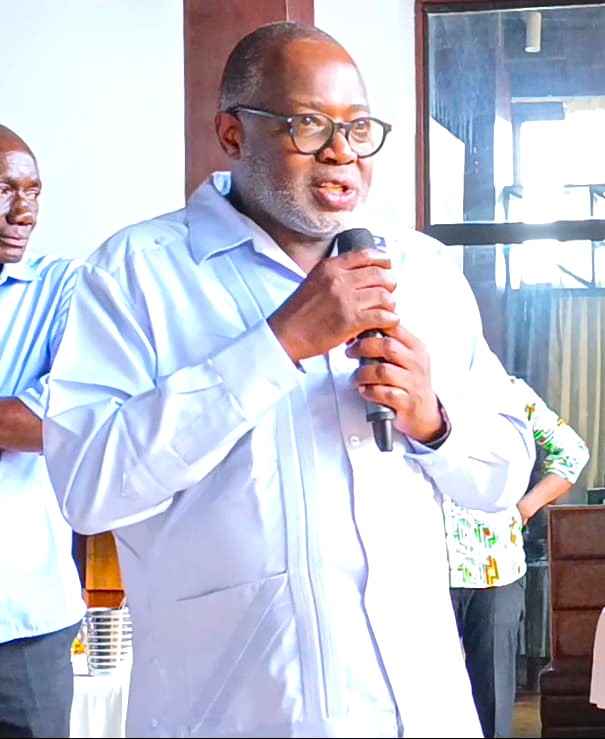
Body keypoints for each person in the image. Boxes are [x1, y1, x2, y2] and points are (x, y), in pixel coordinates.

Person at [44, 22, 536, 739]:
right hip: (237, 717)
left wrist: (433, 421)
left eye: (357, 127)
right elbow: (88, 486)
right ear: (232, 133)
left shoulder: (422, 268)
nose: (341, 152)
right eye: (308, 125)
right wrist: (277, 346)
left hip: (422, 712)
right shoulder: (134, 273)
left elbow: (503, 475)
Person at [444, 374, 589, 738]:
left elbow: (572, 452)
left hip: (497, 569)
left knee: (492, 701)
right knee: (419, 698)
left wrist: (525, 508)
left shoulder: (508, 391)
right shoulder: (410, 384)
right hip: (420, 571)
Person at [0, 124, 86, 738]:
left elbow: (52, 421)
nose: (23, 212)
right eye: (4, 189)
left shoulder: (65, 286)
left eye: (32, 192)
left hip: (24, 620)